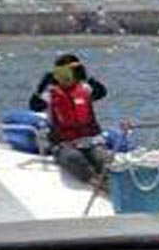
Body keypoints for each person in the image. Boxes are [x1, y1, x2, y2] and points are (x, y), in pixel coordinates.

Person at [32, 55, 110, 183]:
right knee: (74, 158)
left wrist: (88, 78)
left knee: (103, 159)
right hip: (64, 145)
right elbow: (34, 106)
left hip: (90, 142)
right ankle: (95, 181)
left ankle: (110, 180)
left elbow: (101, 92)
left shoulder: (85, 89)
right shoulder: (51, 94)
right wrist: (42, 86)